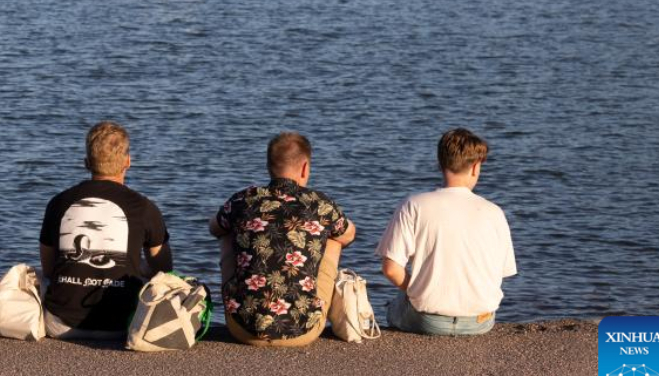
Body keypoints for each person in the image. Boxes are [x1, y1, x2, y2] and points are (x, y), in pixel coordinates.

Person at [210, 132, 355, 347]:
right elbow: (349, 234)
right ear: (305, 167)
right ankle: (325, 313)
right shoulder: (320, 203)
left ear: (269, 166)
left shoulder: (243, 198)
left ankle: (243, 305)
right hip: (303, 332)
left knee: (227, 232)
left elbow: (214, 228)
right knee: (335, 239)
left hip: (242, 330)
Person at [376, 128, 516, 336]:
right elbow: (501, 273)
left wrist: (416, 291)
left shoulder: (413, 205)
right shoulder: (494, 212)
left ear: (440, 164)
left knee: (395, 305)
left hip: (428, 321)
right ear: (476, 167)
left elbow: (391, 269)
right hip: (481, 322)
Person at [39, 121, 172, 339]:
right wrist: (136, 271)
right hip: (123, 326)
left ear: (86, 163)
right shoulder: (145, 207)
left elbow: (49, 269)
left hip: (58, 324)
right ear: (128, 162)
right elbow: (163, 269)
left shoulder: (59, 202)